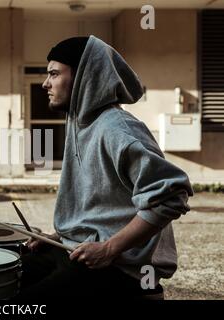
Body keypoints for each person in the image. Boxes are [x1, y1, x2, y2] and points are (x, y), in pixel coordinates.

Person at [14, 36, 193, 299]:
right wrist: (58, 236)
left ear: (85, 76)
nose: (45, 83)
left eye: (54, 73)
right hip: (79, 253)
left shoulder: (116, 128)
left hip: (122, 268)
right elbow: (102, 211)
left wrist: (109, 249)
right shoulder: (80, 123)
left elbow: (172, 195)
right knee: (5, 271)